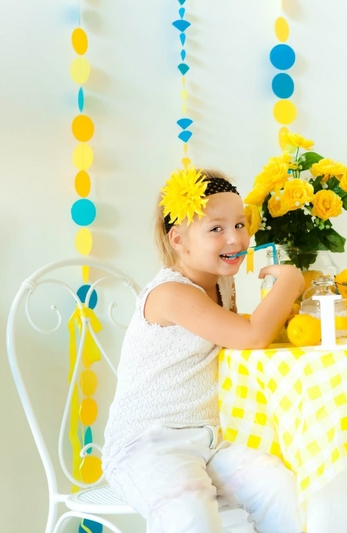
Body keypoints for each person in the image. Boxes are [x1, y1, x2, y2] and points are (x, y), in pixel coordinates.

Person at [103, 166, 306, 533]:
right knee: (189, 510)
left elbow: (241, 332)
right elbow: (252, 336)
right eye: (216, 229)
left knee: (279, 485)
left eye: (240, 224)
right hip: (147, 445)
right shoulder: (171, 294)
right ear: (178, 239)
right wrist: (291, 280)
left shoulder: (221, 286)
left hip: (207, 442)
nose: (236, 238)